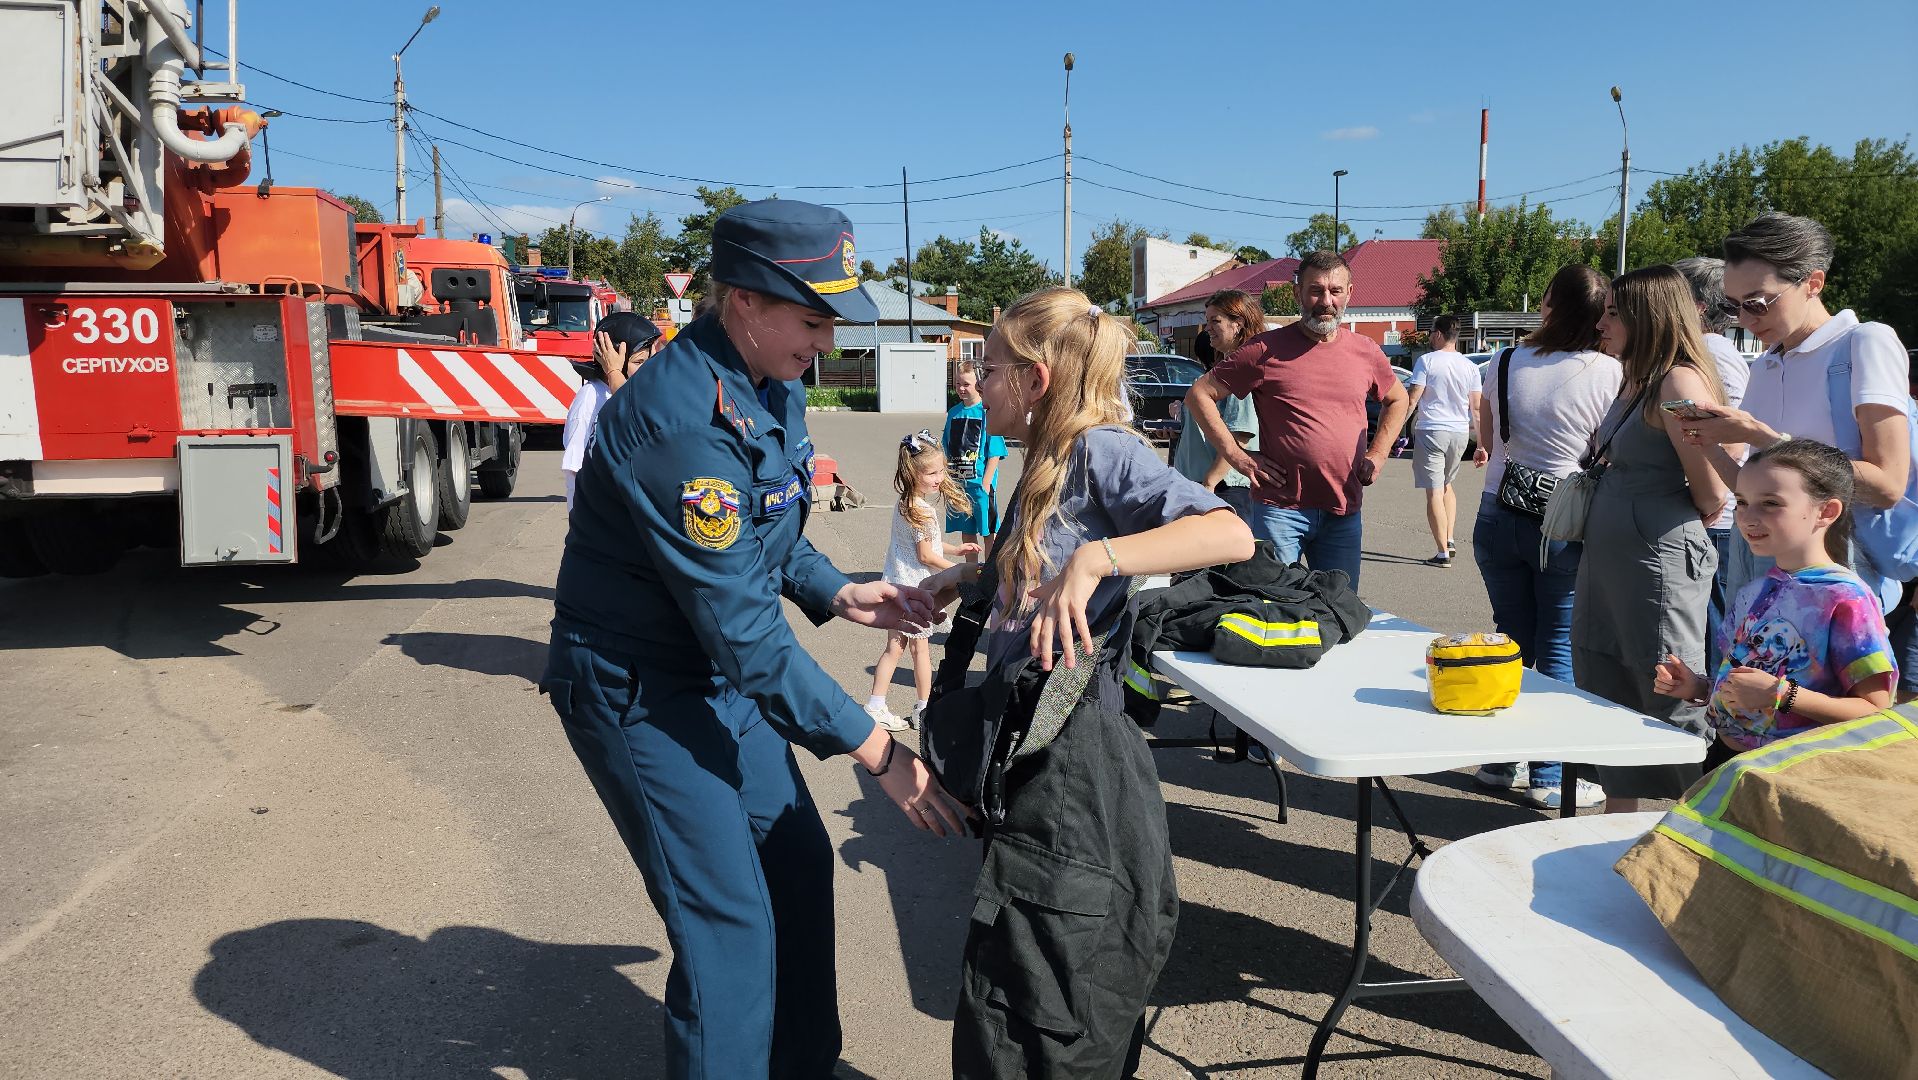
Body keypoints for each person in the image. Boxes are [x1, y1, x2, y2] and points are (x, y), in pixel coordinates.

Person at [540, 200, 965, 1080]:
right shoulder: (680, 424)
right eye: (813, 319)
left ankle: (802, 1065)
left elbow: (768, 528)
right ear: (742, 301)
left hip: (717, 674)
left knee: (799, 864)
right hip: (638, 688)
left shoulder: (773, 381)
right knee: (726, 924)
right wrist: (879, 752)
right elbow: (744, 635)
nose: (828, 340)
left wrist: (838, 589)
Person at [919, 287, 1254, 1076]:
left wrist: (1099, 558)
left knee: (1049, 973)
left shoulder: (1103, 449)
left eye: (988, 364)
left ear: (1035, 380)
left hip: (1071, 755)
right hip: (1028, 742)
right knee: (1017, 963)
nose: (976, 376)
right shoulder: (1046, 457)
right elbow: (1032, 568)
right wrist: (965, 579)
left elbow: (1229, 532)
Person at [1684, 212, 1912, 613]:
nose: (1744, 320)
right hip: (1757, 560)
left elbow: (1888, 484)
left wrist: (1766, 440)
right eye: (1733, 305)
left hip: (1830, 567)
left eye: (1757, 303)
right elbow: (1756, 487)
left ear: (1813, 283)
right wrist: (1708, 444)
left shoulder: (1863, 342)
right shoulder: (1768, 363)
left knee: (1812, 679)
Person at [1580, 265, 1732, 814]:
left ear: (1647, 317)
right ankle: (1614, 824)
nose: (1602, 324)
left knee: (1665, 683)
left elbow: (1713, 488)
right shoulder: (1642, 378)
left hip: (1656, 563)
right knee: (1611, 679)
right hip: (1618, 563)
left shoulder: (1678, 383)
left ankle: (1686, 833)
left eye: (1614, 312)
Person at [1469, 265, 1621, 809]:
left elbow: (1487, 432)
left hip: (1495, 510)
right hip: (1564, 521)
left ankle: (1498, 759)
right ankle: (1551, 774)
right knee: (1558, 644)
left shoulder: (1505, 359)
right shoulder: (1609, 372)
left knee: (1510, 639)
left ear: (1550, 302)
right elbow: (1606, 450)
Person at [1653, 439, 1896, 770]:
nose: (1748, 517)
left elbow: (1875, 710)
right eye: (1741, 502)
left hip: (1796, 772)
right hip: (1728, 760)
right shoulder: (1756, 591)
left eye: (1770, 503)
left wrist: (1782, 694)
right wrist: (1697, 687)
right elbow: (1749, 679)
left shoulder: (1845, 598)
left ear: (1827, 511)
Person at [1185, 251, 1410, 588]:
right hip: (1280, 512)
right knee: (1272, 610)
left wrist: (1377, 454)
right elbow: (1198, 395)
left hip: (1343, 511)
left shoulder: (1365, 351)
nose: (1326, 301)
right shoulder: (1265, 350)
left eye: (1335, 291)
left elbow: (1398, 398)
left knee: (1338, 611)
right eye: (1315, 290)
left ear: (1349, 293)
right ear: (1297, 293)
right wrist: (1237, 456)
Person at [865, 431, 978, 731]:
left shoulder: (905, 503)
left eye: (942, 470)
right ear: (914, 472)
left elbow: (921, 545)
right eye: (932, 472)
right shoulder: (923, 511)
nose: (939, 477)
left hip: (895, 585)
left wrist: (956, 548)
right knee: (921, 651)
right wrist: (957, 569)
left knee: (895, 649)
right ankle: (924, 709)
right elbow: (926, 555)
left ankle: (876, 704)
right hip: (915, 591)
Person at [1672, 256, 1751, 668]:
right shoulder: (1702, 352)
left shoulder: (1714, 355)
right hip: (1710, 519)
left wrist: (1712, 493)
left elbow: (1734, 439)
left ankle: (1716, 723)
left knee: (1713, 632)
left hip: (1716, 524)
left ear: (1698, 306)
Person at [1171, 289, 1264, 522]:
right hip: (1203, 484)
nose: (1208, 328)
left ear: (1238, 324)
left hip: (1223, 488)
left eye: (1215, 321)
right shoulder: (1224, 369)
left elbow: (1240, 434)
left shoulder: (1241, 369)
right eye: (1207, 321)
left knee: (1225, 558)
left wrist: (1209, 483)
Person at [561, 311, 662, 509]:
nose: (647, 369)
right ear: (612, 361)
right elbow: (576, 467)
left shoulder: (641, 395)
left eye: (651, 360)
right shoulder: (591, 396)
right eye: (639, 362)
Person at [1405, 314, 1483, 567]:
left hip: (1431, 431)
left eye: (1430, 333)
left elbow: (1413, 398)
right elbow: (1477, 408)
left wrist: (1396, 430)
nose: (1429, 338)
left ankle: (1441, 554)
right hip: (1460, 433)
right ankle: (1448, 538)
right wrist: (1482, 444)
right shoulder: (1470, 366)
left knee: (1434, 492)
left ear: (1438, 334)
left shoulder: (1426, 361)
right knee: (1448, 485)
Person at [942, 363, 1007, 559]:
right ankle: (972, 572)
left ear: (978, 384)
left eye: (966, 384)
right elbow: (946, 447)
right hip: (958, 485)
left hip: (980, 484)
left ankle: (989, 571)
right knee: (967, 530)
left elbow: (994, 452)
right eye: (958, 383)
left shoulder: (986, 411)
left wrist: (986, 483)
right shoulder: (953, 413)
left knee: (988, 530)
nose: (961, 388)